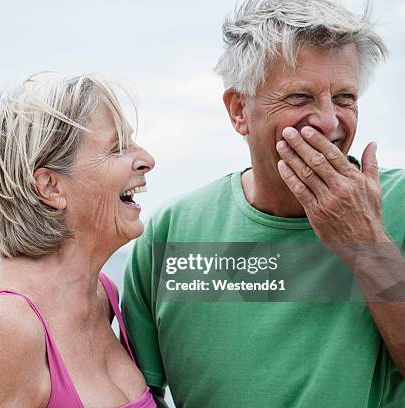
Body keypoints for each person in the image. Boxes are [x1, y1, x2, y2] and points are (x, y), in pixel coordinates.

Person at [122, 0, 405, 407]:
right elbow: (138, 395)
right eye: (300, 97)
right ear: (240, 110)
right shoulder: (174, 230)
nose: (329, 121)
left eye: (344, 98)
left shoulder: (398, 206)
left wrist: (366, 243)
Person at [0, 74, 157, 407]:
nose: (146, 159)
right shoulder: (4, 326)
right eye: (117, 148)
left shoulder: (101, 294)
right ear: (50, 186)